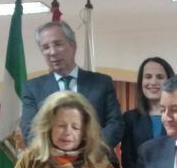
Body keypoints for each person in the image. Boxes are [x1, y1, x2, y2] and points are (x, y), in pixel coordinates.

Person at [20, 21, 123, 158]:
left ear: (73, 46)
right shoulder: (32, 88)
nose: (52, 52)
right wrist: (61, 158)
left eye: (57, 44)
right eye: (45, 47)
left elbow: (115, 123)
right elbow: (30, 131)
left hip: (98, 162)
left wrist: (87, 152)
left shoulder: (102, 82)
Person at [120, 57, 175, 168]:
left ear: (170, 82)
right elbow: (128, 161)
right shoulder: (130, 118)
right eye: (148, 76)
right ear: (141, 82)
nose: (153, 82)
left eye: (160, 77)